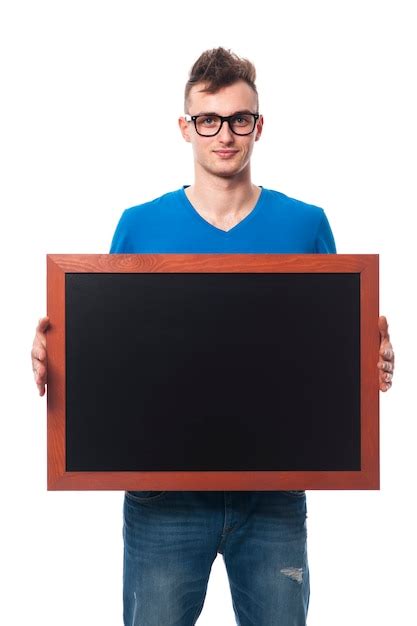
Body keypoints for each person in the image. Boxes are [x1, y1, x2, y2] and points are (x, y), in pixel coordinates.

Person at [31, 47, 395, 626]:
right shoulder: (139, 225)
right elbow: (111, 352)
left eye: (239, 119)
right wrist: (59, 355)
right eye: (209, 120)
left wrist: (371, 354)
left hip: (274, 492)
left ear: (259, 126)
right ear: (186, 127)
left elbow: (331, 350)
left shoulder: (306, 224)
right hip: (162, 498)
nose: (224, 135)